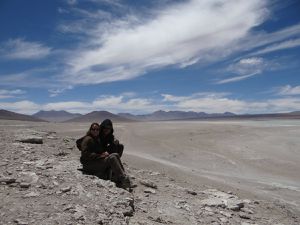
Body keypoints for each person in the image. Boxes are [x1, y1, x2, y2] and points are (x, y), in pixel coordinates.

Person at [79, 122, 131, 189]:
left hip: (95, 161)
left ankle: (123, 176)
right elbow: (85, 155)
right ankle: (123, 180)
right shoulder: (88, 139)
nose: (95, 131)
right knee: (112, 157)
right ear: (90, 130)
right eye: (93, 129)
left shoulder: (96, 139)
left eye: (97, 129)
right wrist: (101, 155)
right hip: (89, 165)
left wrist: (104, 153)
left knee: (115, 155)